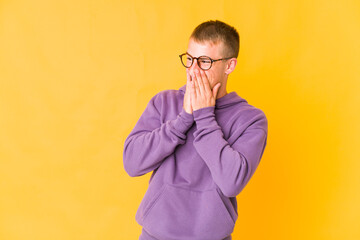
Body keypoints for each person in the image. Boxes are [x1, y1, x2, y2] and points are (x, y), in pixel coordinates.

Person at [123, 20, 268, 240]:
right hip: (155, 235)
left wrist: (205, 116)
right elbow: (132, 163)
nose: (193, 70)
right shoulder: (164, 102)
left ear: (229, 66)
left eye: (205, 62)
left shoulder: (250, 120)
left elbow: (231, 183)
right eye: (189, 59)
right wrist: (182, 120)